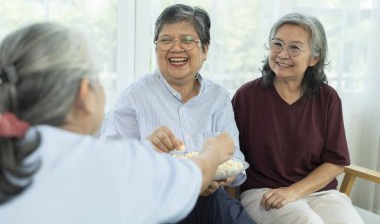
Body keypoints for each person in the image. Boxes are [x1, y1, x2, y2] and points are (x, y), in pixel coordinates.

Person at [0, 22, 236, 224]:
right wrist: (213, 152)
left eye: (187, 40)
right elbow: (192, 174)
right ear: (84, 93)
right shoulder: (112, 163)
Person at [101, 4, 256, 224]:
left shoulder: (218, 97)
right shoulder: (134, 97)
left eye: (187, 40)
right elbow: (111, 162)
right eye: (165, 40)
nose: (176, 48)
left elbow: (235, 161)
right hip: (158, 200)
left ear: (205, 50)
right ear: (156, 49)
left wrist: (218, 175)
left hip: (210, 198)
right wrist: (145, 148)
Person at [232, 12, 364, 224]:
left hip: (319, 192)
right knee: (307, 221)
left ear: (314, 58)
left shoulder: (327, 98)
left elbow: (336, 162)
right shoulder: (246, 96)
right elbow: (231, 155)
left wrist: (294, 191)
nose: (283, 54)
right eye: (277, 44)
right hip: (264, 193)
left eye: (294, 47)